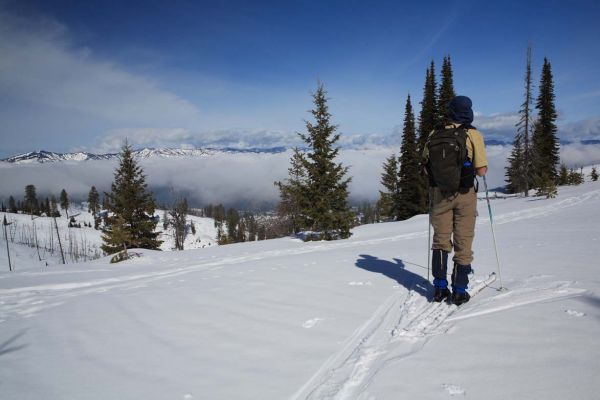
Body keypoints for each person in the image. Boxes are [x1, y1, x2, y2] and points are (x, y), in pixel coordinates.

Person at [422, 95, 488, 305]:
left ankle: (440, 289)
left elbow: (425, 166)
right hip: (465, 195)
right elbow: (481, 170)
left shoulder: (435, 133)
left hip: (440, 195)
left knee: (440, 240)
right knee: (463, 241)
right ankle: (459, 289)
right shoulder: (472, 134)